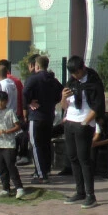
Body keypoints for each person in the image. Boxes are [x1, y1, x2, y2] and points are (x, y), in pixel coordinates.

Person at [60, 56, 105, 209]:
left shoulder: (93, 80)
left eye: (77, 73)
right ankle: (80, 192)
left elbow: (98, 105)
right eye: (72, 74)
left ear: (82, 68)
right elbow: (64, 106)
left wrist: (85, 122)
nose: (75, 76)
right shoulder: (72, 82)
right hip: (70, 122)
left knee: (84, 158)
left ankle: (91, 195)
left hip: (84, 122)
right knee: (72, 157)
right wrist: (63, 97)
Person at [23, 55, 62, 184]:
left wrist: (29, 103)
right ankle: (45, 170)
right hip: (49, 115)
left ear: (37, 66)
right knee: (45, 143)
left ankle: (41, 175)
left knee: (35, 144)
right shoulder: (53, 80)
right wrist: (52, 102)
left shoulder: (33, 78)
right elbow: (61, 92)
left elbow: (25, 92)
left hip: (36, 116)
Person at [0, 91, 26, 199]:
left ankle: (19, 187)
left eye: (2, 101)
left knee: (11, 165)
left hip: (9, 143)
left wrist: (7, 131)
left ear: (6, 101)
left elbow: (18, 126)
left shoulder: (10, 112)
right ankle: (5, 188)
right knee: (2, 168)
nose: (0, 103)